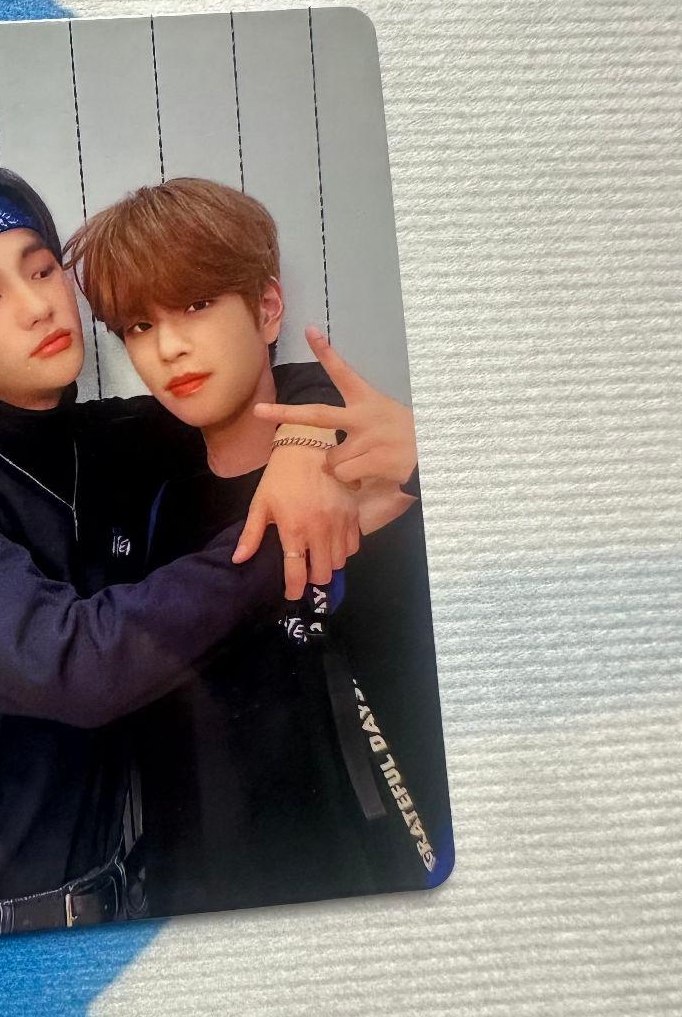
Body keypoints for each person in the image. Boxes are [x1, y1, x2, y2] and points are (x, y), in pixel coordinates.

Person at [0, 165, 360, 942]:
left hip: (118, 903)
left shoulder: (115, 441)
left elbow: (270, 382)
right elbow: (76, 666)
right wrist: (284, 534)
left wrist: (304, 442)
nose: (37, 306)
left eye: (41, 270)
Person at [66, 177, 452, 916]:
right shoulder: (139, 491)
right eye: (139, 326)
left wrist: (415, 453)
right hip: (188, 913)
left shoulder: (374, 479)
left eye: (197, 305)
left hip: (375, 898)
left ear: (268, 308)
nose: (169, 347)